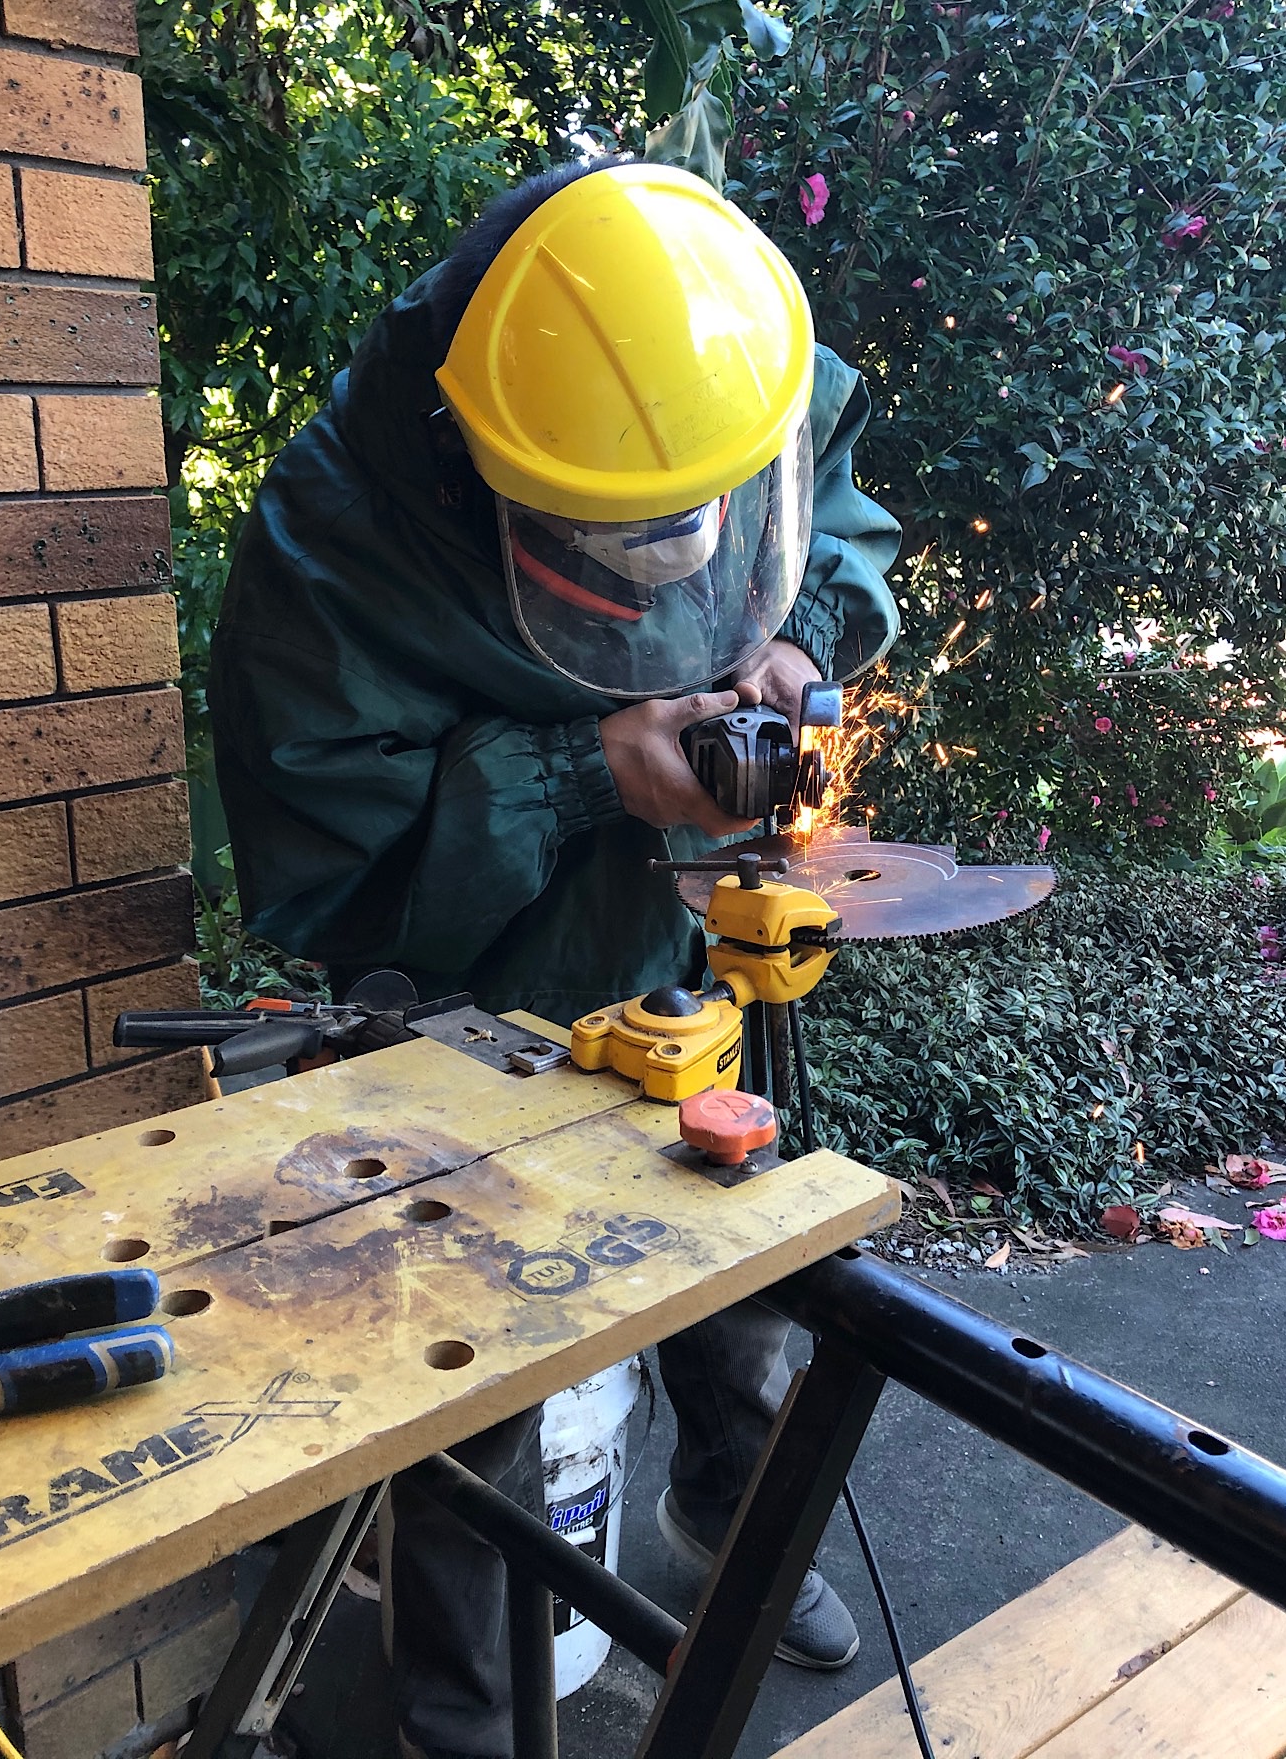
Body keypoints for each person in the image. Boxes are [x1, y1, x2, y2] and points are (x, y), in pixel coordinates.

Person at [209, 155, 901, 1759]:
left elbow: (843, 512)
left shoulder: (713, 353)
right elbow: (340, 890)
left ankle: (730, 1515)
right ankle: (470, 1717)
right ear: (485, 468)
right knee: (480, 1367)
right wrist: (582, 769)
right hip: (476, 1012)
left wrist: (806, 639)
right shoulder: (331, 550)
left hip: (685, 938)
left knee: (743, 1264)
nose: (667, 568)